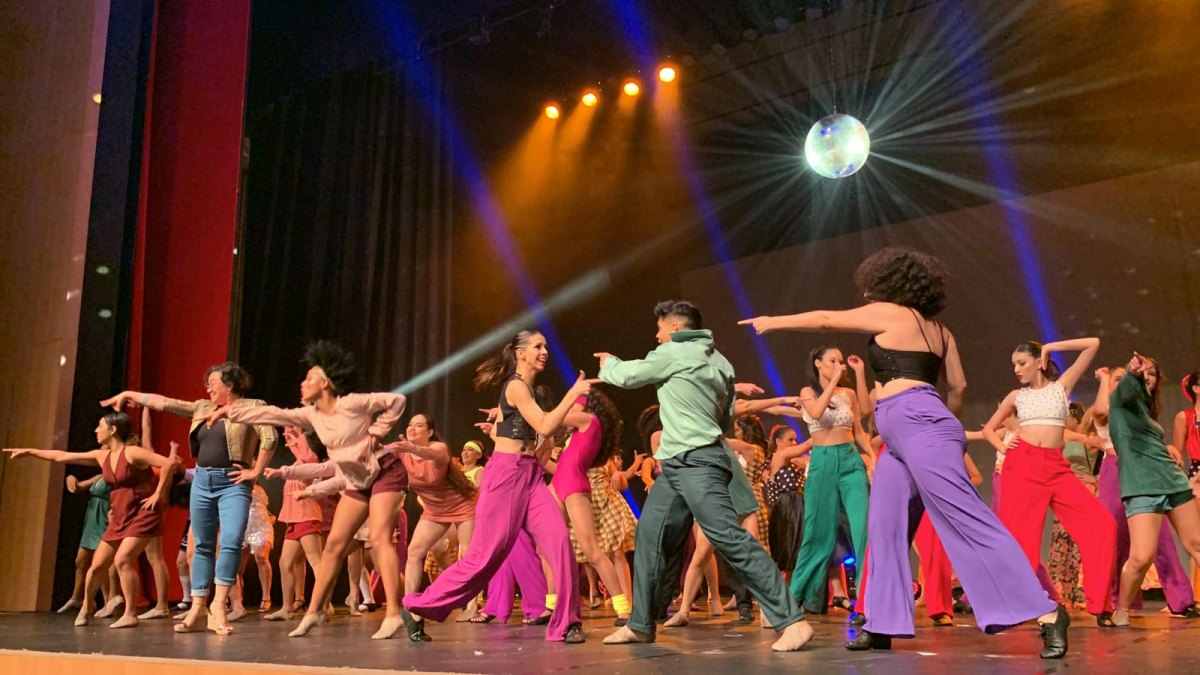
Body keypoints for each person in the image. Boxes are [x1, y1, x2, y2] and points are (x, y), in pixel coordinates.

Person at [740, 247, 1066, 658]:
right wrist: (941, 421)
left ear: (887, 283)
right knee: (885, 526)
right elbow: (959, 388)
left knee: (966, 517)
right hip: (906, 431)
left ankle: (1048, 612)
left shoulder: (893, 314)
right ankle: (881, 622)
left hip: (917, 424)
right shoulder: (941, 331)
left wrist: (773, 322)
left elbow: (825, 319)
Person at [599, 300, 812, 652]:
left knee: (729, 537)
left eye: (660, 328)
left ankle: (792, 620)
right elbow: (725, 417)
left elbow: (627, 376)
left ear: (675, 328)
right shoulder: (721, 362)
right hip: (679, 464)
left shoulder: (674, 352)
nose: (657, 335)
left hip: (696, 462)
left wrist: (609, 363)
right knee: (650, 536)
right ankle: (640, 624)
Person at [209, 341, 411, 640]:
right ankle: (315, 611)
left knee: (380, 538)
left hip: (386, 471)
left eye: (308, 378)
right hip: (358, 482)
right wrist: (231, 412)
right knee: (334, 546)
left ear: (325, 383)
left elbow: (397, 400)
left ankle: (394, 614)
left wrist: (375, 432)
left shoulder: (352, 403)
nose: (302, 383)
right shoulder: (312, 415)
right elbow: (275, 414)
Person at [402, 330, 593, 643]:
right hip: (505, 477)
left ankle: (568, 623)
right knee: (484, 558)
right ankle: (418, 605)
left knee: (560, 542)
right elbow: (544, 424)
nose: (544, 351)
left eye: (546, 346)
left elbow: (527, 428)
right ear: (520, 353)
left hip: (531, 477)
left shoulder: (526, 392)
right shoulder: (516, 385)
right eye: (538, 346)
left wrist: (502, 419)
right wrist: (573, 393)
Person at [101, 362, 278, 635]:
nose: (208, 388)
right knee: (202, 546)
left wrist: (255, 471)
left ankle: (219, 606)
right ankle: (198, 607)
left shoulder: (253, 407)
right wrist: (129, 394)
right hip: (203, 482)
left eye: (213, 383)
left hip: (232, 483)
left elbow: (270, 437)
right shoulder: (202, 408)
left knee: (231, 541)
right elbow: (165, 403)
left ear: (230, 384)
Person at [982, 338, 1117, 626]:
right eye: (1014, 365)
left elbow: (1092, 344)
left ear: (1038, 362)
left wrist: (1050, 348)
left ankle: (1100, 604)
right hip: (1022, 466)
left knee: (1102, 525)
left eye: (1022, 363)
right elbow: (989, 430)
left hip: (1056, 467)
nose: (1017, 370)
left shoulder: (1061, 387)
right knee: (1021, 540)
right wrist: (1005, 448)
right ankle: (1015, 606)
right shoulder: (1016, 396)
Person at [6, 411, 180, 628]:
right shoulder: (102, 456)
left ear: (113, 430)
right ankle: (86, 606)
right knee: (97, 566)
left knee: (123, 559)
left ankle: (130, 613)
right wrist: (30, 452)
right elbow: (62, 456)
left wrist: (159, 493)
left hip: (143, 512)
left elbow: (168, 463)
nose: (96, 430)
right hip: (120, 513)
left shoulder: (132, 452)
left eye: (100, 426)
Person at [1100, 355, 1200, 626]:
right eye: (1144, 372)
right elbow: (1126, 388)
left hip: (1172, 479)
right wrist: (1133, 371)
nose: (1147, 376)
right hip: (1141, 486)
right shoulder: (1120, 401)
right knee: (1141, 556)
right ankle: (1121, 610)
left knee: (1196, 544)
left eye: (1153, 373)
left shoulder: (1145, 410)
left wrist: (1167, 447)